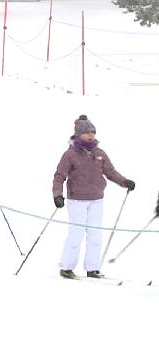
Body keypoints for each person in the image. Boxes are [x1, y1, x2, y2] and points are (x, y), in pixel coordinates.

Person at [52, 115, 134, 279]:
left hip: (97, 199)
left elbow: (110, 172)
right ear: (78, 134)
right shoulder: (70, 155)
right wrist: (58, 195)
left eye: (93, 133)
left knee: (95, 233)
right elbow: (59, 175)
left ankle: (92, 268)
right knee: (76, 233)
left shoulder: (99, 153)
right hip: (77, 200)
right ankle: (67, 267)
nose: (91, 136)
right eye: (87, 133)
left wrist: (124, 182)